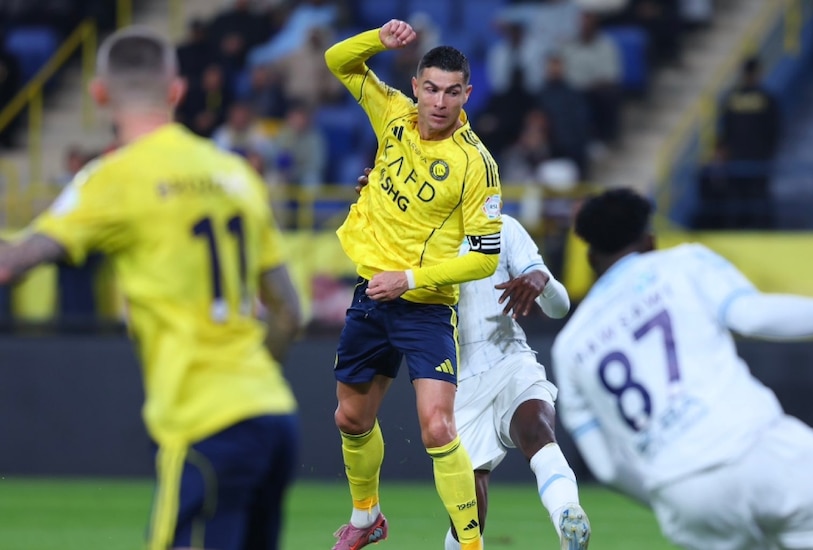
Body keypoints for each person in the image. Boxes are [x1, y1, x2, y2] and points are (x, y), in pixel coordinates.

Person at [0, 27, 302, 550]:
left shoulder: (114, 179)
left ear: (99, 95)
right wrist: (249, 381)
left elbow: (14, 264)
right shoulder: (235, 174)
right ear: (177, 91)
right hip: (274, 417)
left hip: (207, 425)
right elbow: (289, 313)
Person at [552, 187, 813, 550]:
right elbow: (753, 316)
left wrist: (671, 489)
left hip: (683, 492)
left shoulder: (570, 346)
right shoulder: (683, 263)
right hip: (757, 449)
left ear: (591, 257)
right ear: (649, 240)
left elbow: (607, 467)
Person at [325, 19, 503, 550]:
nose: (440, 101)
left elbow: (484, 259)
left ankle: (470, 546)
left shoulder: (477, 165)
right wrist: (377, 39)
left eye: (452, 91)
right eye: (431, 88)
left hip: (424, 306)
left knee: (437, 428)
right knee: (350, 417)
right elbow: (338, 61)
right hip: (371, 295)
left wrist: (411, 278)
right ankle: (366, 519)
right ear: (416, 87)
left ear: (467, 93)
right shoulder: (393, 116)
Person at [355, 169, 591, 549]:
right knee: (468, 515)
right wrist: (377, 201)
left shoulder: (504, 229)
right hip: (454, 382)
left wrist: (542, 280)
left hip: (509, 358)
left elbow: (560, 307)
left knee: (536, 431)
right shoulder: (407, 240)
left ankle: (568, 516)